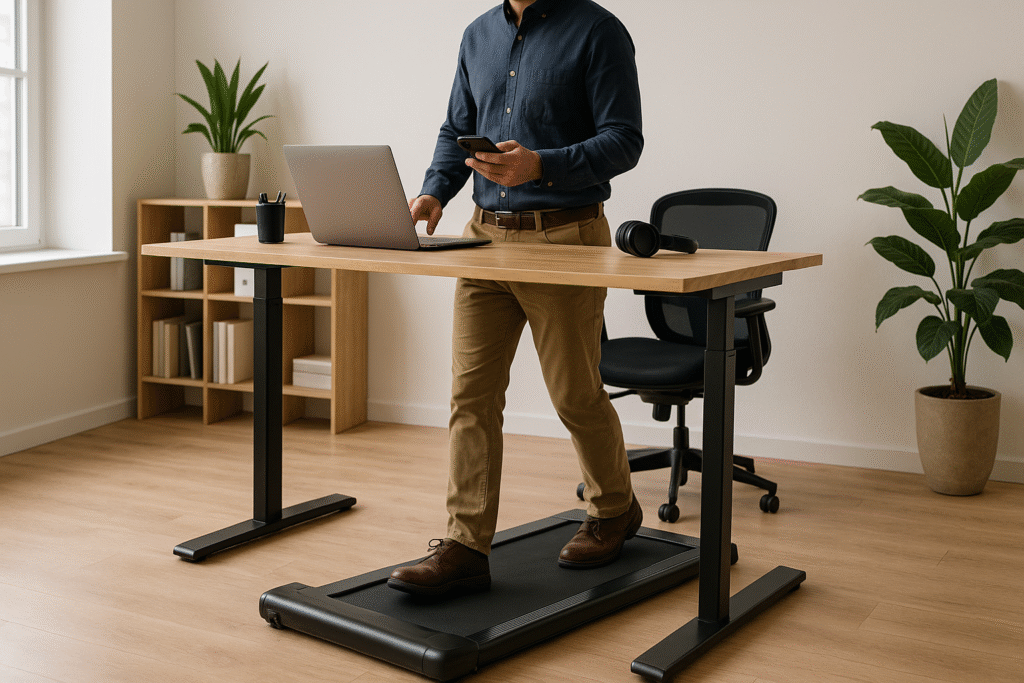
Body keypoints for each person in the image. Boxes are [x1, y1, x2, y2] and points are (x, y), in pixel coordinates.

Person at [387, 0, 644, 597]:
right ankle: (464, 545)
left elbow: (624, 141)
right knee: (470, 395)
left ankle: (613, 509)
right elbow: (456, 131)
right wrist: (434, 193)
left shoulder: (598, 31)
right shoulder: (478, 35)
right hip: (482, 239)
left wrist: (540, 166)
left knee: (574, 392)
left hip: (566, 237)